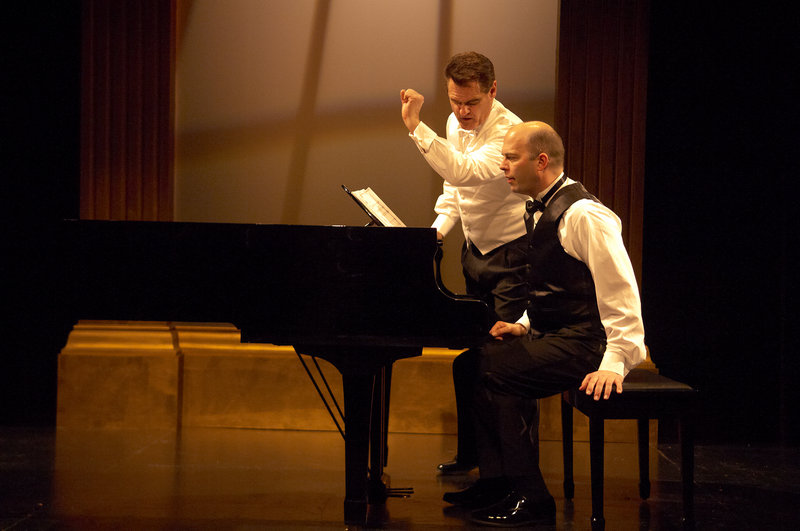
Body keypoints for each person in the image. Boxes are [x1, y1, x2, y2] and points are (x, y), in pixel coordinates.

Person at [443, 121, 647, 527]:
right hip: (557, 334)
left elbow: (621, 293)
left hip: (588, 343)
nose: (502, 166)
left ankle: (532, 497)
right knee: (470, 364)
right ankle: (496, 481)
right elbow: (550, 287)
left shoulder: (585, 215)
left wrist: (615, 361)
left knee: (498, 373)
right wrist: (522, 323)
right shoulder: (536, 207)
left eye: (510, 157)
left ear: (541, 161)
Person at [401, 52, 531, 475]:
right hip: (475, 252)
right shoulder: (456, 123)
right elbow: (453, 191)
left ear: (492, 91)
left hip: (513, 256)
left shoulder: (510, 132)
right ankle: (476, 459)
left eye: (471, 103)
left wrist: (416, 129)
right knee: (474, 357)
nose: (461, 112)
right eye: (455, 101)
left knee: (506, 364)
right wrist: (436, 232)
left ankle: (513, 474)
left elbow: (466, 172)